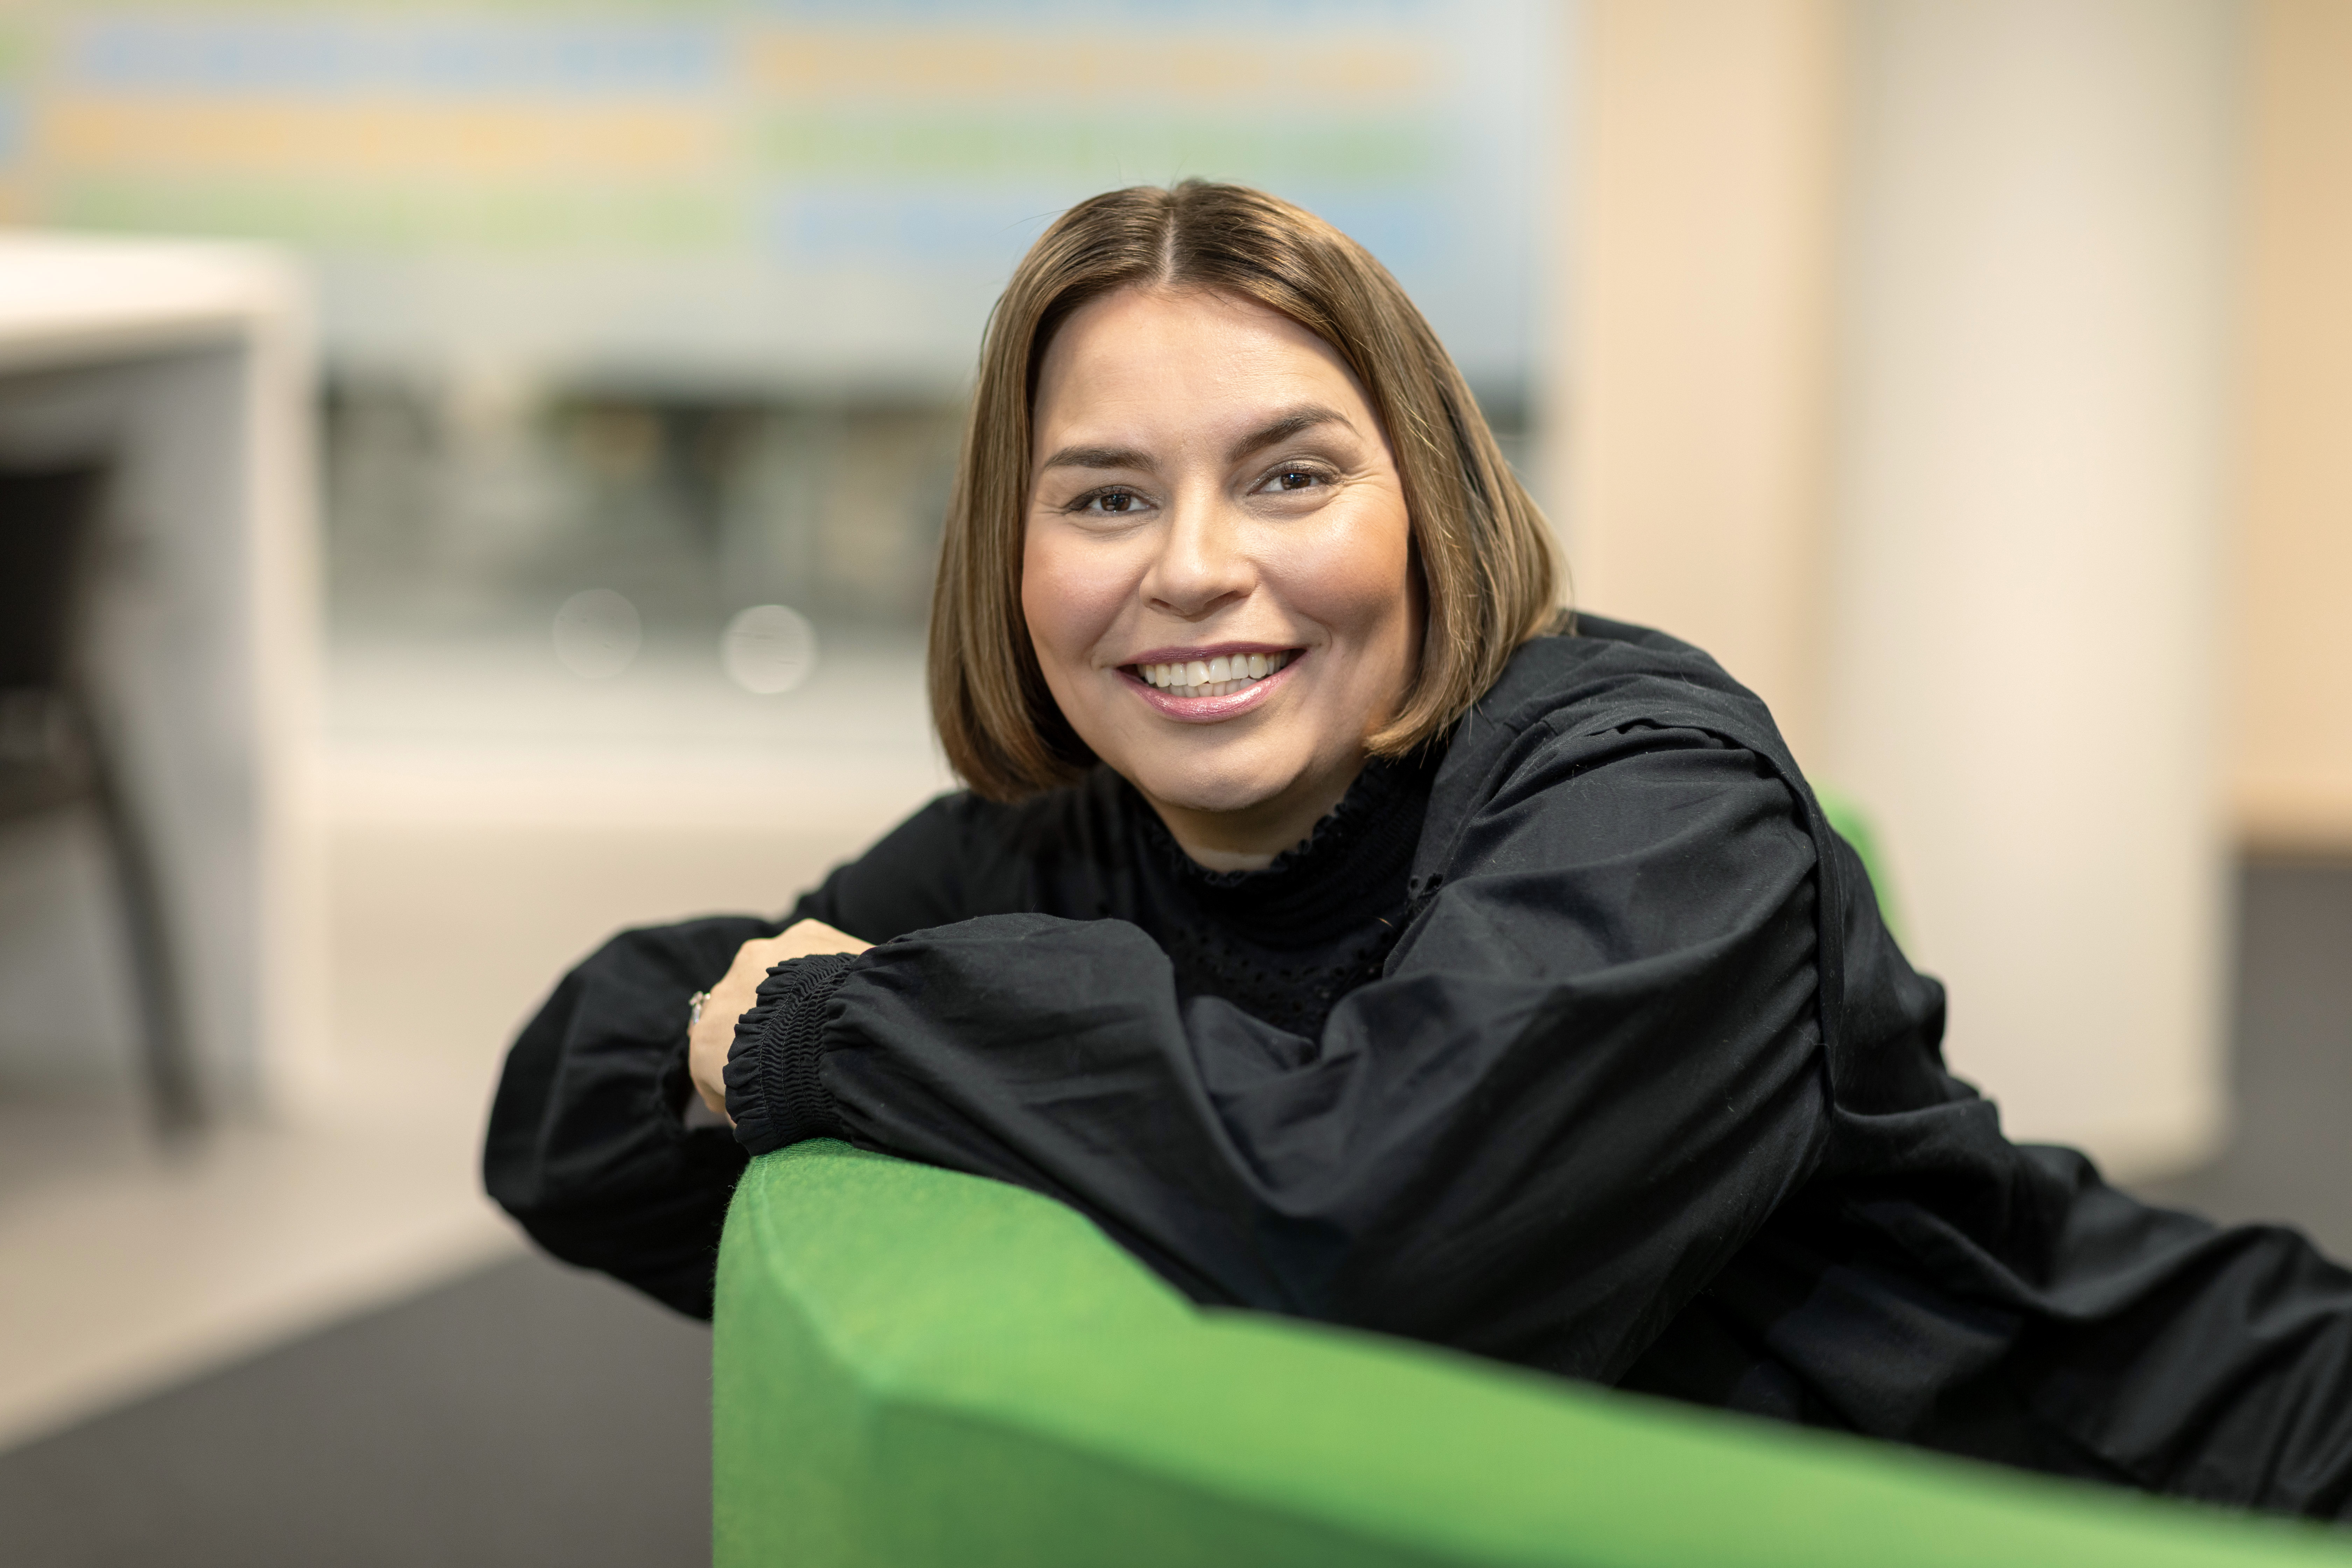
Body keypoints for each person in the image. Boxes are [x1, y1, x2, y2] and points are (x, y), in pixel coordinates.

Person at [485, 181, 2352, 1517]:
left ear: (1426, 507)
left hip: (2159, 1480)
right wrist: (865, 1037)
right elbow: (571, 1108)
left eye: (1290, 476)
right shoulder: (1057, 845)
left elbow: (1380, 1237)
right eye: (1107, 497)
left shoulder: (1651, 798)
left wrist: (838, 1032)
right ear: (1013, 558)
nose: (1194, 566)